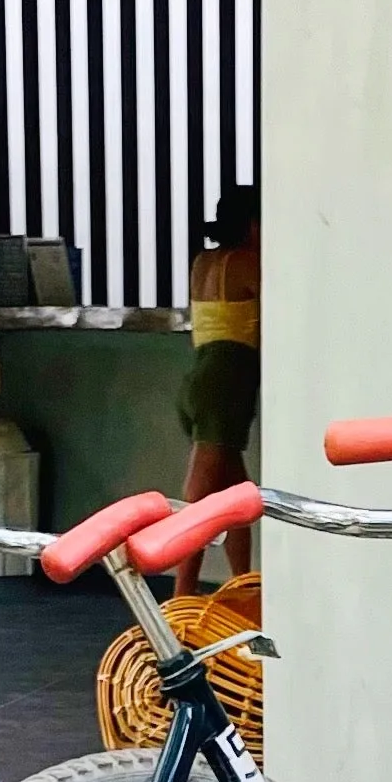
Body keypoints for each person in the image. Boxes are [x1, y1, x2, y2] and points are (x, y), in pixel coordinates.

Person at [176, 182, 260, 585]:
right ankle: (179, 597)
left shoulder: (203, 262)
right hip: (228, 381)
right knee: (198, 501)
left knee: (236, 497)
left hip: (200, 374)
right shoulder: (247, 263)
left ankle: (242, 582)